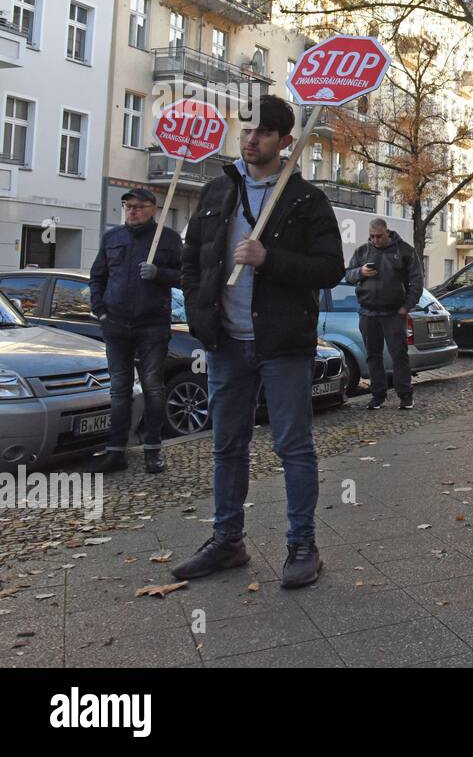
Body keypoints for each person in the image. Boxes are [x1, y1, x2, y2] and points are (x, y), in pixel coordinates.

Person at [172, 95, 345, 589]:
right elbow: (193, 260)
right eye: (247, 131)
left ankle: (302, 545)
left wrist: (271, 260)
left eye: (264, 132)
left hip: (281, 342)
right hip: (226, 342)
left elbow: (331, 267)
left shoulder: (305, 199)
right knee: (227, 445)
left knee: (293, 446)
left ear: (285, 141)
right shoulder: (215, 192)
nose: (252, 139)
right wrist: (200, 313)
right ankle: (228, 540)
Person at [87, 188, 182, 474]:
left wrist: (160, 274)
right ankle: (116, 451)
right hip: (116, 324)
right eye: (128, 206)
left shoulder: (168, 239)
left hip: (152, 324)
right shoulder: (112, 238)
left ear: (153, 209)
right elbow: (97, 277)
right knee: (119, 390)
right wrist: (101, 311)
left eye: (139, 207)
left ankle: (153, 450)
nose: (132, 211)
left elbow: (188, 276)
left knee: (153, 387)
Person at [345, 217, 425, 410]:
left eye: (379, 236)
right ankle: (378, 395)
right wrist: (361, 273)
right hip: (367, 311)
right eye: (372, 236)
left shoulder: (404, 251)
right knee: (373, 355)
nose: (375, 240)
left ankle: (405, 396)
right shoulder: (362, 251)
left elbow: (417, 282)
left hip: (393, 313)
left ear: (387, 232)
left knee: (399, 355)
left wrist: (406, 307)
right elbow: (348, 275)